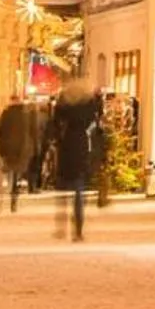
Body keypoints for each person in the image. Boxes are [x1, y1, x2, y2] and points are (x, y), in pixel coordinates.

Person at [46, 80, 102, 242]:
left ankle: (60, 226)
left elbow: (54, 123)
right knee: (79, 192)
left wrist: (55, 140)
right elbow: (97, 116)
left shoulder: (63, 105)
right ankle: (78, 230)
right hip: (81, 147)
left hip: (66, 148)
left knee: (62, 193)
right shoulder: (87, 105)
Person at [0, 98, 35, 211]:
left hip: (8, 149)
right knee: (17, 173)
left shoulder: (5, 114)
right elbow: (31, 132)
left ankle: (10, 187)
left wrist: (1, 148)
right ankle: (14, 193)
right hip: (21, 149)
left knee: (9, 171)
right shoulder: (25, 116)